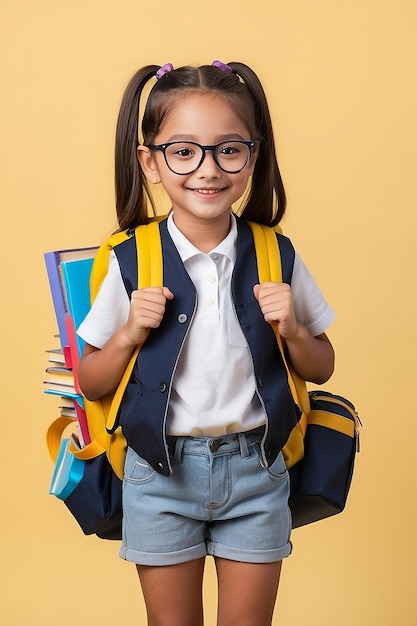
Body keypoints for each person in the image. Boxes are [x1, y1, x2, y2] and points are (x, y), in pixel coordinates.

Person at [77, 60, 335, 626]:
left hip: (256, 469)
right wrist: (126, 335)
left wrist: (292, 329)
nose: (207, 170)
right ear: (150, 161)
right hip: (159, 471)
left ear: (253, 154)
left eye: (228, 150)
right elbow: (90, 382)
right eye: (184, 151)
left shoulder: (276, 255)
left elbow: (323, 366)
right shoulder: (129, 260)